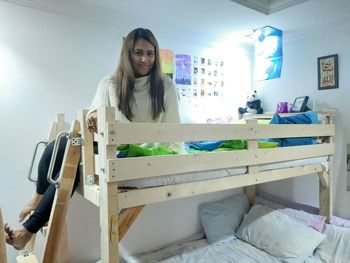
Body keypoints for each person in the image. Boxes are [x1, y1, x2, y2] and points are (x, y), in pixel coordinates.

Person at [5, 27, 180, 250]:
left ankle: (29, 224)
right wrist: (94, 115)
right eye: (138, 52)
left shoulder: (166, 86)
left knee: (73, 165)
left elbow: (173, 131)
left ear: (156, 55)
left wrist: (160, 158)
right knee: (62, 144)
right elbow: (90, 114)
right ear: (127, 54)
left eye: (150, 52)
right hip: (112, 146)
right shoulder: (110, 83)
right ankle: (37, 202)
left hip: (143, 152)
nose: (145, 59)